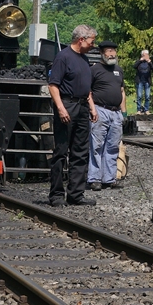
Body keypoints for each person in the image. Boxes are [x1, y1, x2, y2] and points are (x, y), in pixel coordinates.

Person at [47, 24, 98, 207]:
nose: (94, 45)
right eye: (92, 41)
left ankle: (76, 194)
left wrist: (92, 107)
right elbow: (53, 85)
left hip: (83, 106)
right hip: (67, 105)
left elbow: (87, 88)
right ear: (81, 39)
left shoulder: (84, 59)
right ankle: (56, 195)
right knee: (61, 151)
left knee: (81, 152)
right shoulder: (63, 57)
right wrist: (61, 108)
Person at [88, 41, 126, 190]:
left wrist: (124, 112)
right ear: (102, 53)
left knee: (112, 146)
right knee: (96, 146)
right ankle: (94, 178)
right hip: (100, 110)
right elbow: (88, 92)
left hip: (116, 112)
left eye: (113, 51)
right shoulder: (94, 70)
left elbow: (122, 91)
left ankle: (109, 179)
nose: (111, 54)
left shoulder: (118, 70)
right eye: (108, 51)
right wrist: (92, 110)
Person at [134, 49, 153, 114]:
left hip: (147, 81)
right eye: (144, 55)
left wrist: (150, 62)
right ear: (142, 55)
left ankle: (146, 109)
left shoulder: (149, 62)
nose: (146, 56)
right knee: (139, 96)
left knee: (147, 96)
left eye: (147, 55)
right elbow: (134, 66)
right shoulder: (139, 61)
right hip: (140, 81)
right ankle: (139, 110)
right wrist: (140, 61)